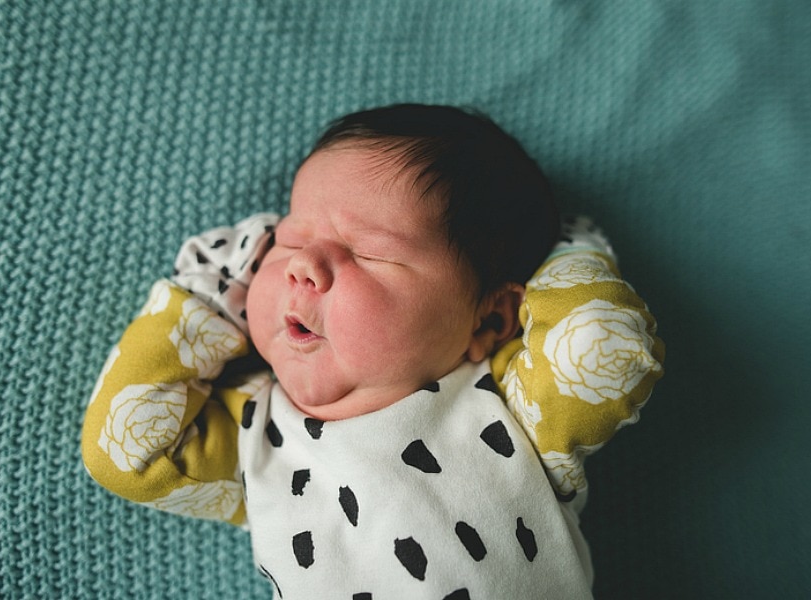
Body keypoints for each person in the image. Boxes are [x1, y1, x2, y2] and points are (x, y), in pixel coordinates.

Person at [82, 104, 664, 599]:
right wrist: (207, 290)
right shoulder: (252, 437)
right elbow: (126, 451)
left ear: (487, 317)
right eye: (285, 238)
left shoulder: (514, 405)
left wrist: (569, 244)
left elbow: (602, 339)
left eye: (367, 253)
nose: (302, 265)